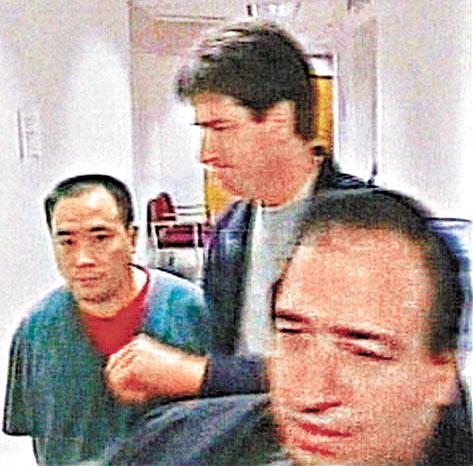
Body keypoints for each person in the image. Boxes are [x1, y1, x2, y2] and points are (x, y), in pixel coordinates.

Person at [103, 189, 472, 466]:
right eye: (293, 335)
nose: (310, 394)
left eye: (364, 352)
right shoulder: (170, 446)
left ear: (440, 375)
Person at [105, 20, 367, 403]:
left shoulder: (370, 228)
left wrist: (197, 374)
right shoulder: (230, 229)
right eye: (203, 130)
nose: (205, 154)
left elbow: (357, 371)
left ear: (279, 120)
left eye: (221, 128)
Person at [3, 174, 210, 465]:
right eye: (67, 242)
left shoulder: (191, 312)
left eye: (100, 238)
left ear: (131, 238)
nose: (83, 259)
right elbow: (33, 429)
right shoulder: (37, 331)